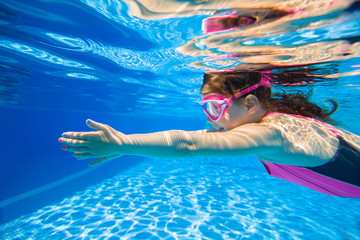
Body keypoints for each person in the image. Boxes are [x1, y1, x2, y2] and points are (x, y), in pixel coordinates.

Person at [59, 71, 360, 198]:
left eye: (215, 107)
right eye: (204, 107)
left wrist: (123, 143)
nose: (207, 117)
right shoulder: (268, 125)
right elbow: (195, 136)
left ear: (251, 103)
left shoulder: (272, 135)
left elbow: (189, 143)